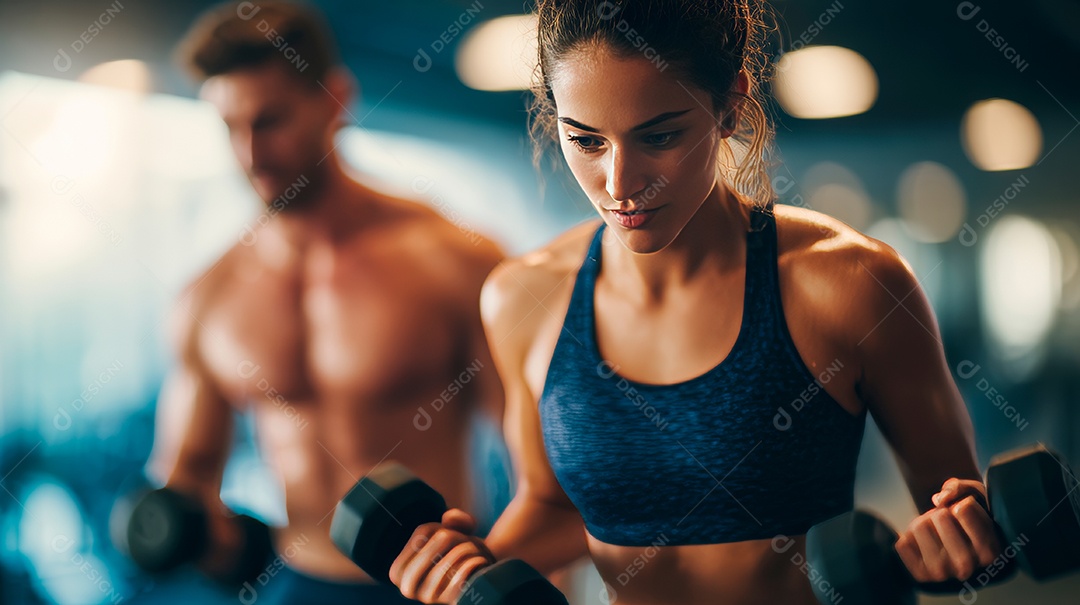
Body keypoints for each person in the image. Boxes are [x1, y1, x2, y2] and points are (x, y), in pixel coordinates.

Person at [386, 1, 1004, 603]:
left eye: (659, 136)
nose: (621, 184)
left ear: (731, 105)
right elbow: (552, 507)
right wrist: (467, 567)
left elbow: (965, 519)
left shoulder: (850, 283)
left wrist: (960, 544)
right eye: (587, 141)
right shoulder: (522, 297)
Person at [146, 2, 504, 603]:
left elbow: (543, 464)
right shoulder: (210, 295)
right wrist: (195, 532)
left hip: (440, 585)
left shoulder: (454, 261)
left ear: (335, 100)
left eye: (270, 120)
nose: (250, 153)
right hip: (294, 579)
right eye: (230, 127)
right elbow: (188, 473)